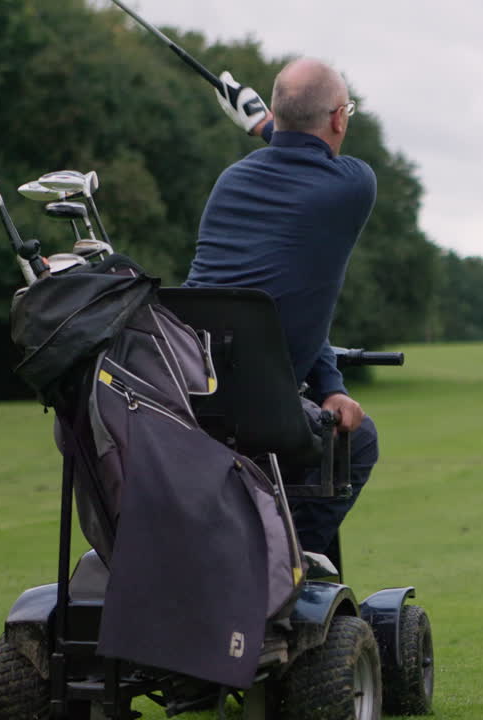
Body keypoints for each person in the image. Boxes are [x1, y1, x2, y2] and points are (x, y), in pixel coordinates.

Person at [184, 58, 378, 565]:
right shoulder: (353, 185)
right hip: (263, 410)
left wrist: (331, 385)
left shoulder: (230, 182)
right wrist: (263, 124)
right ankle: (289, 561)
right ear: (338, 119)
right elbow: (304, 153)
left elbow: (290, 303)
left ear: (277, 109)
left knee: (328, 416)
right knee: (358, 442)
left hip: (188, 389)